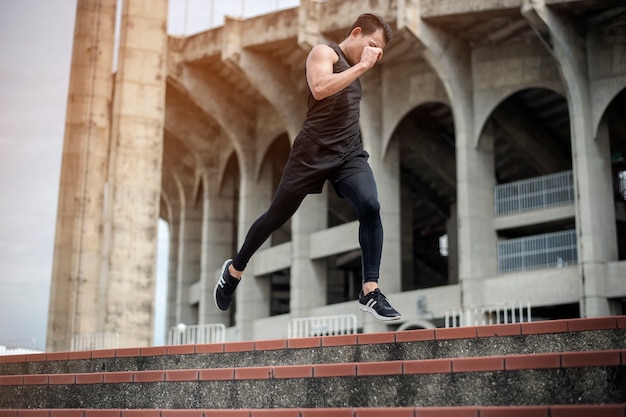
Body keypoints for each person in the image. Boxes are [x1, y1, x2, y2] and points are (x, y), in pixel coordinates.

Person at [214, 13, 401, 321]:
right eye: (372, 45)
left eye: (379, 51)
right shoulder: (324, 53)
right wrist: (363, 65)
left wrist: (362, 66)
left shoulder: (356, 69)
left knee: (370, 205)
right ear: (356, 33)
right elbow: (320, 88)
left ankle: (370, 291)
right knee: (276, 216)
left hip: (349, 155)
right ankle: (234, 271)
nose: (374, 55)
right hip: (311, 153)